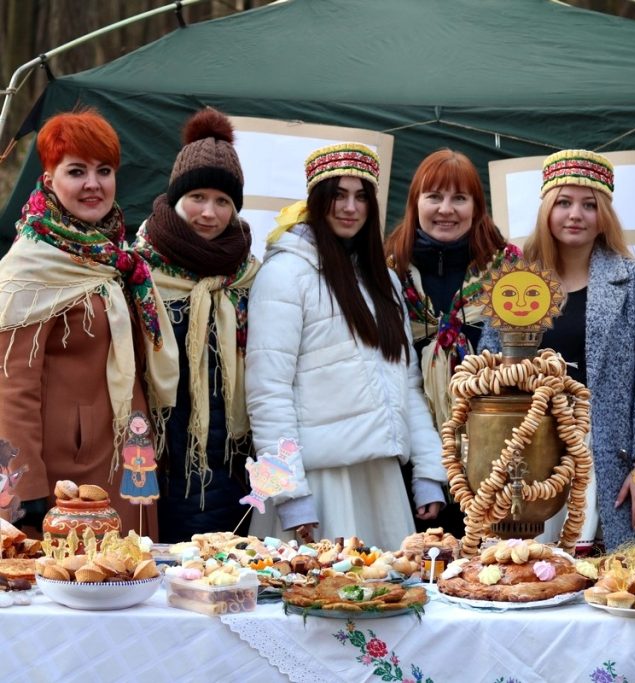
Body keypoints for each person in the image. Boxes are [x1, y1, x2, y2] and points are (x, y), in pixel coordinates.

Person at [480, 149, 635, 551]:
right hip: (529, 457)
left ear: (604, 215)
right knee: (526, 570)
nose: (575, 214)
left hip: (609, 458)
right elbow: (488, 370)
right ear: (546, 209)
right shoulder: (516, 282)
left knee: (617, 577)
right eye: (564, 202)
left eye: (589, 205)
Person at [246, 143, 447, 549]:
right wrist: (290, 494)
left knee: (386, 586)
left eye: (361, 196)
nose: (350, 208)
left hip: (381, 482)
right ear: (317, 200)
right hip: (318, 485)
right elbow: (268, 393)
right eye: (338, 195)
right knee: (316, 586)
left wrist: (429, 471)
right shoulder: (285, 273)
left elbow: (407, 384)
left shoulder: (384, 281)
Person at [0, 109, 173, 536]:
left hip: (128, 456)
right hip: (68, 476)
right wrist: (25, 488)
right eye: (76, 171)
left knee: (132, 569)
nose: (93, 184)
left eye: (104, 171)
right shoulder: (30, 268)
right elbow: (12, 388)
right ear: (49, 179)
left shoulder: (116, 257)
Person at [133, 108, 260, 542]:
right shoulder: (138, 272)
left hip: (234, 467)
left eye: (223, 201)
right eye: (198, 197)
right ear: (175, 198)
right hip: (156, 462)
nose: (209, 212)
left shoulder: (249, 277)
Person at [385, 148, 520, 534]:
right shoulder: (388, 272)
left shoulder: (509, 274)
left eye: (459, 198)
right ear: (415, 203)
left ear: (477, 208)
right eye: (434, 197)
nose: (446, 209)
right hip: (411, 462)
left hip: (492, 457)